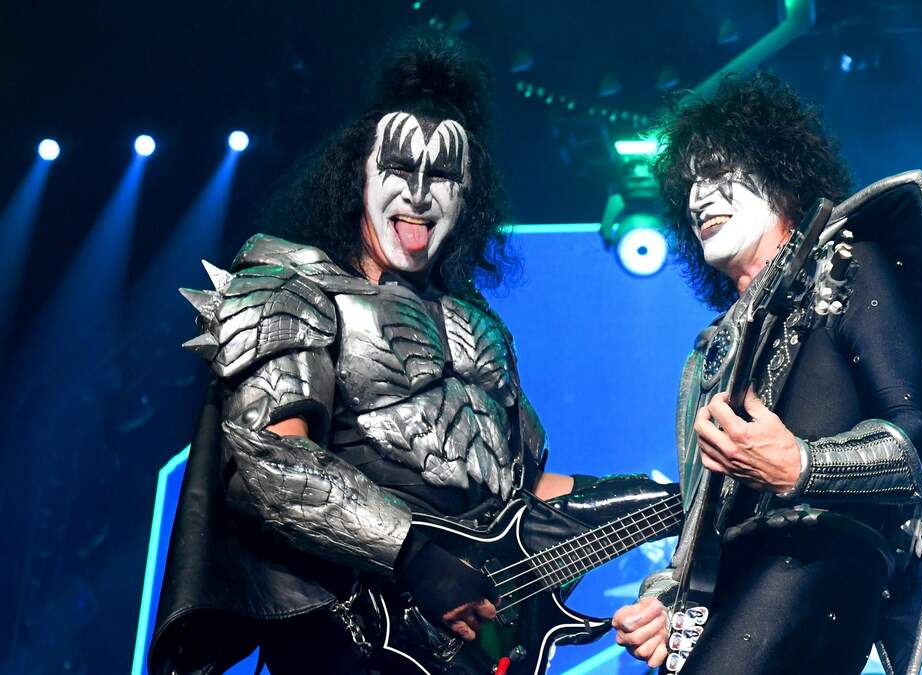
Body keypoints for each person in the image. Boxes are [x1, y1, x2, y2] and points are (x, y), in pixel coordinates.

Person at [148, 37, 670, 674]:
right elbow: (270, 463)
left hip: (467, 649)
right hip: (346, 641)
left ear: (468, 194)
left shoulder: (479, 326)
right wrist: (413, 556)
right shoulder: (291, 286)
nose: (420, 193)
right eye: (399, 167)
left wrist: (673, 499)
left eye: (444, 176)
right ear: (357, 176)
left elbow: (524, 493)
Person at [612, 73, 922, 675]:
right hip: (735, 598)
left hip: (820, 572)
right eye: (690, 185)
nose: (698, 198)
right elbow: (702, 525)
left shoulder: (849, 265)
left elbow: (918, 445)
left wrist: (801, 464)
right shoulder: (711, 350)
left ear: (780, 176)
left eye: (718, 174)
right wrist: (664, 603)